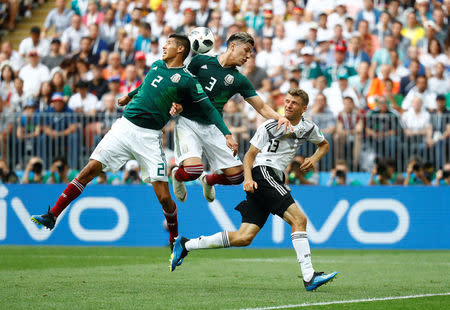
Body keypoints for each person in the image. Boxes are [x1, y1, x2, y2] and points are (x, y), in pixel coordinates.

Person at [31, 34, 237, 247]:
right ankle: (53, 215)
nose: (164, 46)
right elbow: (146, 86)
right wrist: (129, 96)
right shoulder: (157, 65)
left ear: (180, 50)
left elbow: (207, 108)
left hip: (149, 138)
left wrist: (226, 133)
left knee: (164, 197)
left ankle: (175, 240)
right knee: (89, 169)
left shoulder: (187, 80)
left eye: (169, 44)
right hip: (124, 128)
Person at [170, 88, 337, 292]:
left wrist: (313, 159)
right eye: (286, 101)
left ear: (304, 108)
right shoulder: (270, 125)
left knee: (244, 237)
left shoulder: (308, 128)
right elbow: (249, 155)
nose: (288, 105)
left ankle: (185, 245)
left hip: (273, 178)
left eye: (293, 103)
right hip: (262, 174)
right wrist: (247, 179)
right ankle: (309, 276)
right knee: (299, 220)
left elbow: (324, 144)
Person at [171, 32, 291, 204]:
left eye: (251, 52)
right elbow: (180, 86)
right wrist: (177, 103)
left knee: (237, 176)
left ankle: (208, 181)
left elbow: (262, 107)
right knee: (193, 170)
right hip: (188, 123)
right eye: (247, 50)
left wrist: (280, 117)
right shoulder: (200, 61)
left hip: (214, 127)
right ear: (233, 46)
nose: (249, 56)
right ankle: (177, 175)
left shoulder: (239, 79)